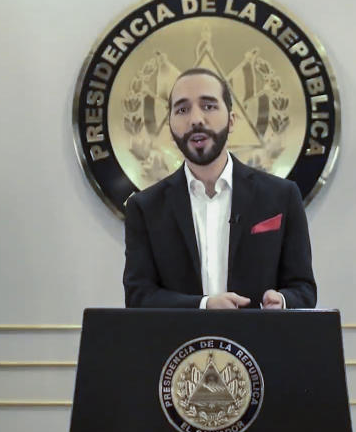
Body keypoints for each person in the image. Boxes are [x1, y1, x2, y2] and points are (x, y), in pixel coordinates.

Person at [123, 67, 317, 309]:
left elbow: (304, 289)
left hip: (259, 343)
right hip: (179, 345)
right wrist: (204, 305)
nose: (195, 119)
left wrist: (284, 301)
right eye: (182, 110)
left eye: (209, 106)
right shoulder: (144, 208)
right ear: (170, 127)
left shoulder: (282, 196)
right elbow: (138, 296)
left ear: (232, 120)